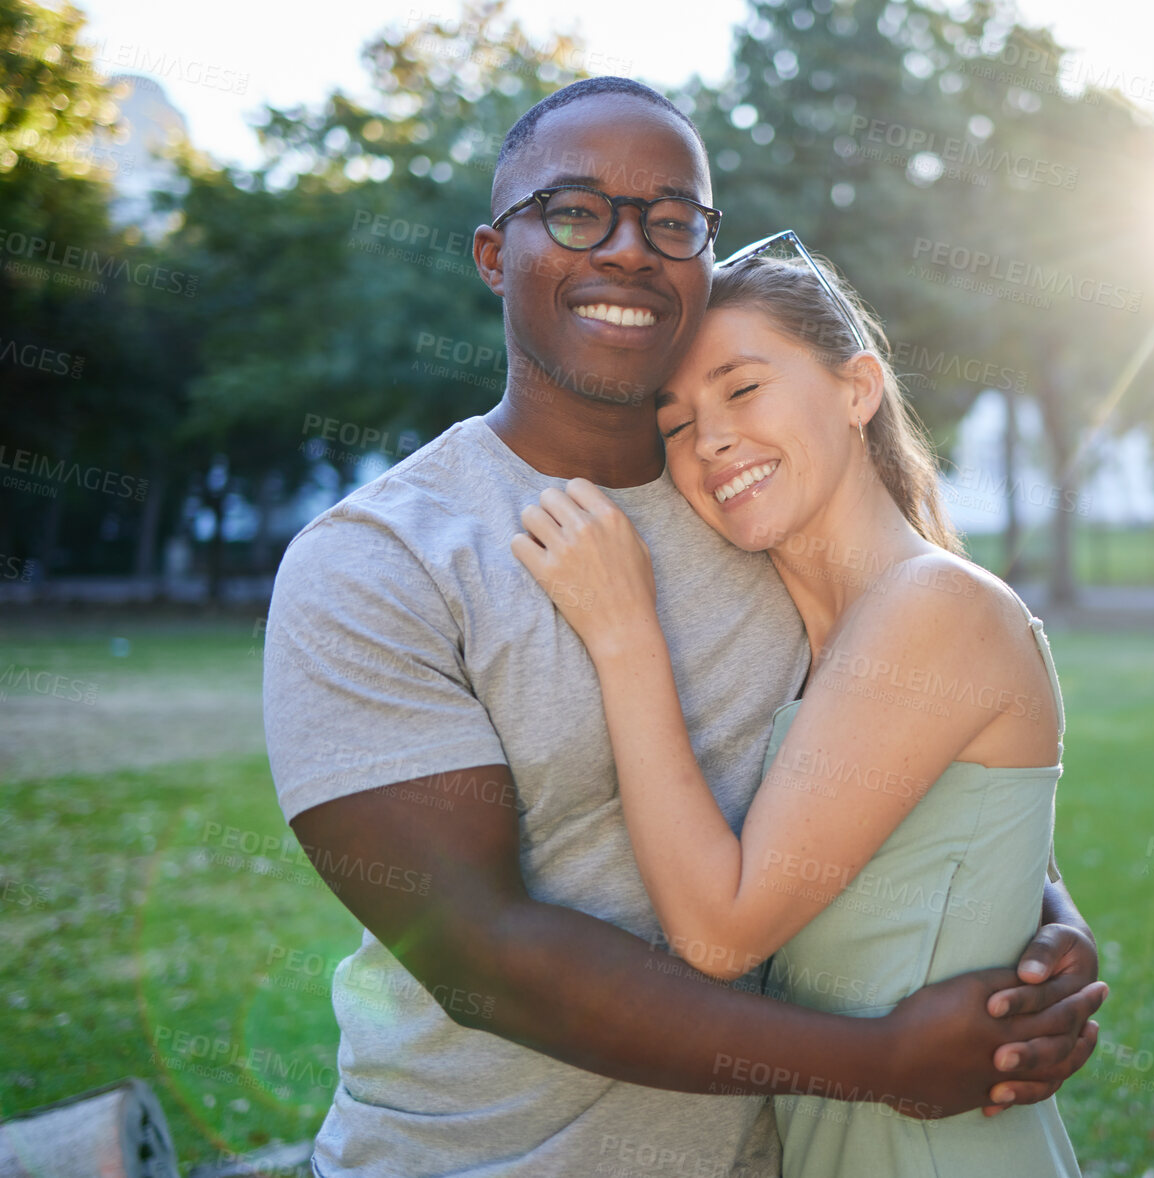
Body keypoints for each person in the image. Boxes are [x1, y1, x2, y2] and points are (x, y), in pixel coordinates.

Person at [263, 76, 1104, 1178]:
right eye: (574, 211)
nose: (625, 247)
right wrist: (872, 1059)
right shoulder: (376, 561)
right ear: (490, 254)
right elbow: (487, 955)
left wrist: (1042, 921)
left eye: (671, 220)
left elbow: (915, 744)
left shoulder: (759, 512)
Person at [511, 236, 1086, 1177]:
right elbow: (987, 846)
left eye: (742, 390)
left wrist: (623, 634)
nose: (713, 440)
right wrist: (1058, 919)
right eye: (676, 423)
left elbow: (719, 932)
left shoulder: (931, 606)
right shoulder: (807, 634)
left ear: (857, 391)